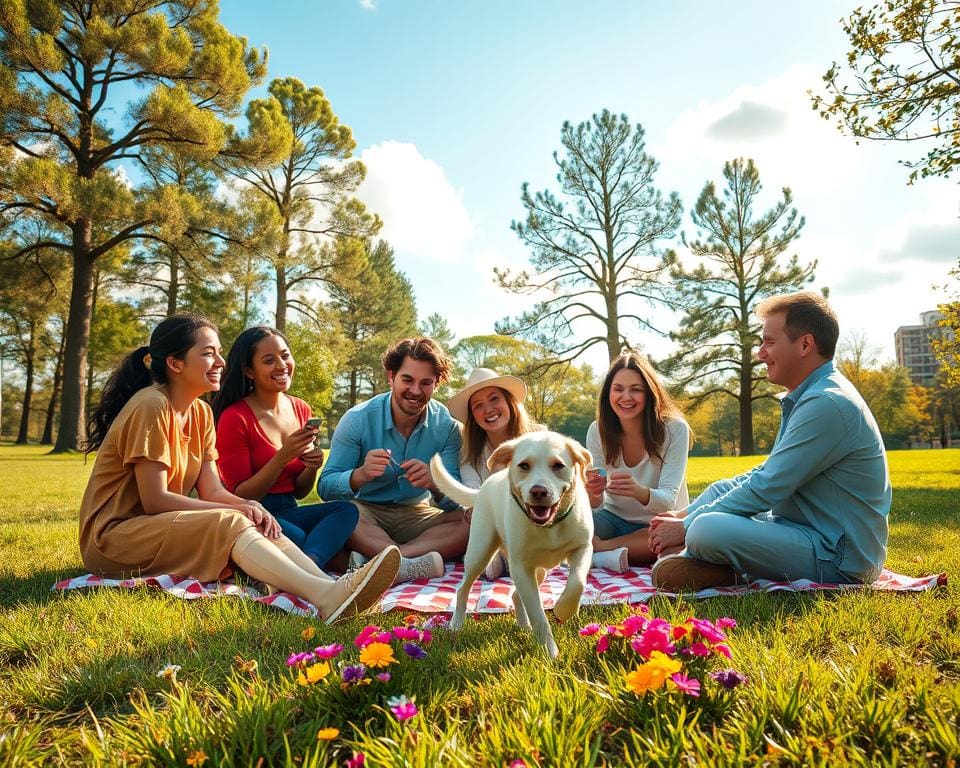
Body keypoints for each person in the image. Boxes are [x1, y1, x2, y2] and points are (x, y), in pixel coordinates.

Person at [78, 315, 399, 624]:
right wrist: (238, 508)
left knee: (256, 518)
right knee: (232, 518)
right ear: (175, 364)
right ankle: (325, 596)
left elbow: (213, 491)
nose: (221, 362)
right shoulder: (152, 404)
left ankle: (334, 588)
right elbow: (155, 500)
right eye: (208, 353)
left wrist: (249, 506)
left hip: (160, 528)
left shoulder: (201, 413)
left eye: (219, 352)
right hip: (116, 539)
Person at [649, 292, 891, 591]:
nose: (761, 353)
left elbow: (768, 486)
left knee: (705, 528)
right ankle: (710, 562)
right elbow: (765, 473)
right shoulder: (809, 396)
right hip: (800, 529)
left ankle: (715, 564)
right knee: (718, 491)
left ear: (805, 344)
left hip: (838, 558)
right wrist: (683, 515)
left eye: (769, 342)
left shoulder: (826, 402)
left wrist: (686, 526)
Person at [318, 337, 466, 582]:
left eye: (426, 383)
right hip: (365, 512)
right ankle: (407, 563)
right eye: (407, 380)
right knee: (342, 514)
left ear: (436, 384)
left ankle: (391, 562)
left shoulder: (448, 427)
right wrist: (359, 475)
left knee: (471, 520)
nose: (415, 390)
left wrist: (435, 484)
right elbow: (325, 487)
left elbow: (456, 502)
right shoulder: (357, 419)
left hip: (416, 514)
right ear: (391, 376)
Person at [213, 326, 358, 572]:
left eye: (285, 355)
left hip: (290, 510)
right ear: (249, 371)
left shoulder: (301, 408)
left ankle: (309, 565)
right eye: (269, 360)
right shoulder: (235, 417)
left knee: (346, 510)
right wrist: (283, 456)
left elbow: (300, 492)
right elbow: (241, 495)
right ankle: (318, 564)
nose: (282, 365)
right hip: (253, 514)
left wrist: (311, 467)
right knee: (304, 538)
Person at [584, 352, 690, 572]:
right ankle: (613, 554)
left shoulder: (675, 429)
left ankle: (600, 552)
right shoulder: (597, 430)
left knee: (673, 541)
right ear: (608, 393)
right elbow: (597, 505)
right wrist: (593, 494)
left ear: (650, 393)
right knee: (568, 527)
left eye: (636, 389)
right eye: (618, 389)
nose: (626, 397)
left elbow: (669, 501)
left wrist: (638, 491)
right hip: (612, 518)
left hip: (657, 522)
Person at [446, 367, 544, 578]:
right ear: (473, 416)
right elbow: (473, 501)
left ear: (509, 401)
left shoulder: (540, 439)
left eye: (494, 399)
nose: (488, 409)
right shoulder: (470, 455)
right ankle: (503, 558)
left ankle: (513, 559)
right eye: (478, 406)